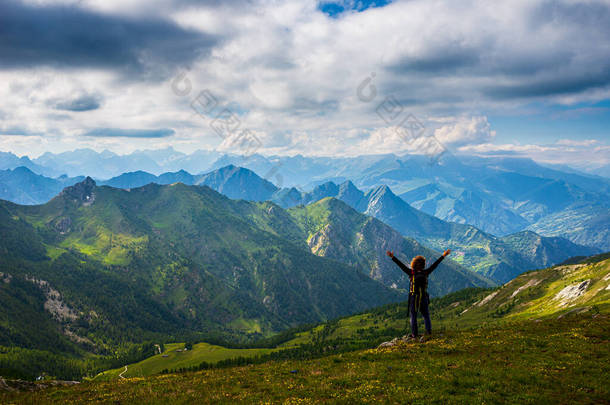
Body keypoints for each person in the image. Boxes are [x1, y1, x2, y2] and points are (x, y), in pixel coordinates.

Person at [386, 249, 451, 340]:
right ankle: (428, 332)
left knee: (413, 315)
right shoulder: (426, 272)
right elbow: (435, 265)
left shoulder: (411, 273)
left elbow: (401, 266)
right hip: (423, 296)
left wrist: (392, 257)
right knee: (426, 315)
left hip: (414, 297)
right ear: (423, 265)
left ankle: (414, 335)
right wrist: (443, 255)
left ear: (414, 264)